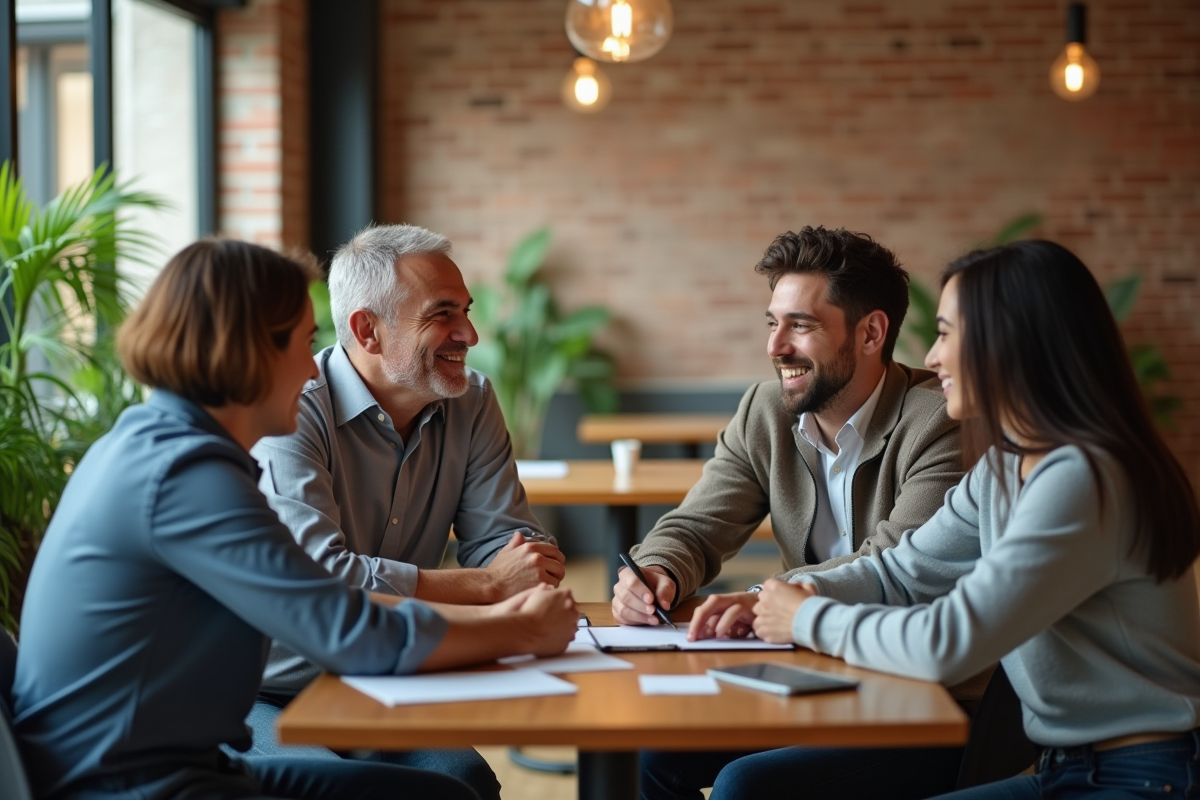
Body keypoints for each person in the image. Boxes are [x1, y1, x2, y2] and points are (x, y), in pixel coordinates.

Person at [11, 239, 579, 800]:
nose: (313, 366)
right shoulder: (183, 475)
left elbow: (333, 605)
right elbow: (344, 625)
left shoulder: (173, 447)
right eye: (302, 342)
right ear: (245, 350)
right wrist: (520, 627)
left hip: (183, 761)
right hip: (128, 783)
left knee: (454, 788)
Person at [719, 240, 1200, 800]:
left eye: (947, 333)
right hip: (1066, 767)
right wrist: (777, 596)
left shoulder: (1082, 478)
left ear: (1012, 341)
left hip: (1145, 777)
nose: (931, 357)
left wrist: (805, 619)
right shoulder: (1005, 466)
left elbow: (947, 642)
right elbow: (902, 574)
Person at [620, 226, 977, 800]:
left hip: (927, 698)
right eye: (773, 322)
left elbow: (897, 567)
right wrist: (658, 570)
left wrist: (767, 599)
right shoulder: (765, 410)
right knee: (652, 750)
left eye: (801, 325)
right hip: (810, 676)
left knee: (748, 785)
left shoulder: (939, 419)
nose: (775, 346)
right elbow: (698, 523)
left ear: (870, 332)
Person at [248, 224, 565, 797]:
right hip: (266, 687)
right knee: (333, 787)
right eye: (442, 314)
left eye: (465, 310)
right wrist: (490, 585)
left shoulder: (472, 400)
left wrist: (513, 569)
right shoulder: (289, 409)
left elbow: (508, 539)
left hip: (384, 674)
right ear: (367, 330)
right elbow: (328, 580)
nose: (469, 332)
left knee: (465, 782)